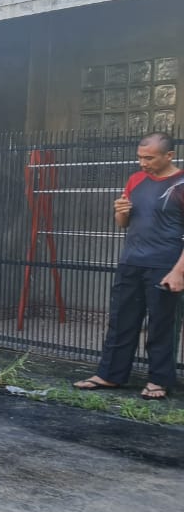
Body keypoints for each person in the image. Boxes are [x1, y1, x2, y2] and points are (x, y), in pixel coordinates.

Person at [74, 132, 183, 401]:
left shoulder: (181, 183)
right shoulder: (135, 180)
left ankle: (158, 380)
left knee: (162, 325)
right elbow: (122, 224)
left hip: (165, 264)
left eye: (149, 158)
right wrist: (120, 210)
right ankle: (110, 374)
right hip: (131, 261)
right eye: (139, 157)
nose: (142, 163)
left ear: (169, 155)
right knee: (121, 320)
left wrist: (179, 271)